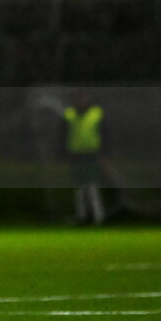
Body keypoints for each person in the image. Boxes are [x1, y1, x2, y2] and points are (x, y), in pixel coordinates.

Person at [64, 91, 107, 224]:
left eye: (84, 98)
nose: (81, 100)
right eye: (79, 98)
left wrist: (104, 154)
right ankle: (81, 217)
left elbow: (105, 134)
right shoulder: (69, 115)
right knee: (79, 189)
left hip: (92, 155)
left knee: (93, 187)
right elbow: (62, 135)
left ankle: (98, 217)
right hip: (76, 156)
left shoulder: (96, 114)